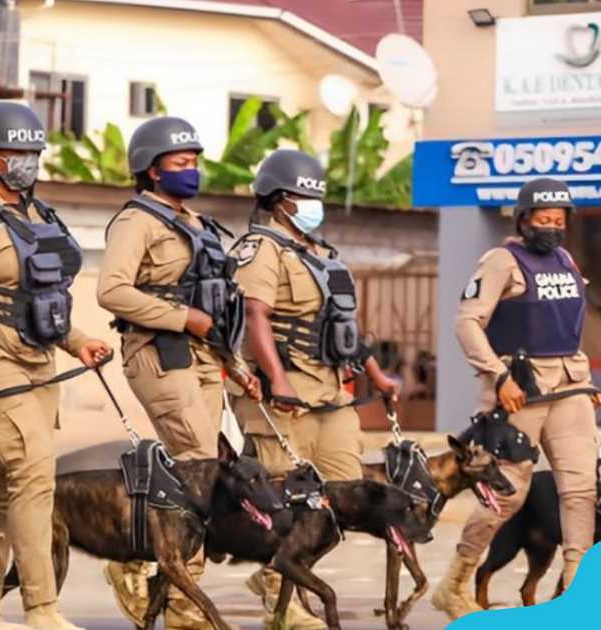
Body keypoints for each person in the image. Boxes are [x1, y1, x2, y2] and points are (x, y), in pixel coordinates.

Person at [0, 101, 110, 630]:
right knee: (35, 477)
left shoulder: (39, 216)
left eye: (33, 152)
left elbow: (44, 297)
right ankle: (42, 608)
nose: (26, 162)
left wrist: (77, 341)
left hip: (39, 368)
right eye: (16, 152)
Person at [97, 116, 262, 630]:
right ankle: (184, 609)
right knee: (198, 472)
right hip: (158, 352)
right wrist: (181, 317)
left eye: (194, 162)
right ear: (151, 170)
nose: (190, 171)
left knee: (205, 474)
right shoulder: (136, 222)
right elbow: (112, 291)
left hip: (203, 358)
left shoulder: (197, 223)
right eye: (179, 163)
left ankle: (138, 564)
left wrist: (234, 366)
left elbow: (214, 303)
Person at [230, 149, 397, 629]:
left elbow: (344, 326)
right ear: (279, 200)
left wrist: (377, 374)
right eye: (304, 196)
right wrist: (277, 379)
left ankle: (276, 579)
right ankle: (284, 600)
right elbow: (255, 316)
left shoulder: (323, 256)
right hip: (283, 400)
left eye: (315, 196)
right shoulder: (260, 250)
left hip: (332, 397)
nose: (311, 204)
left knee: (343, 503)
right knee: (285, 504)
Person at [432, 177, 600, 619]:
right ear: (523, 219)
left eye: (559, 219)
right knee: (505, 493)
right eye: (543, 219)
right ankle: (454, 582)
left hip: (568, 386)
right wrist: (499, 374)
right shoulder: (501, 260)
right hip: (517, 391)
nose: (552, 226)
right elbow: (467, 322)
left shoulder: (564, 260)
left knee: (581, 489)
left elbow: (564, 322)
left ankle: (577, 594)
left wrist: (584, 386)